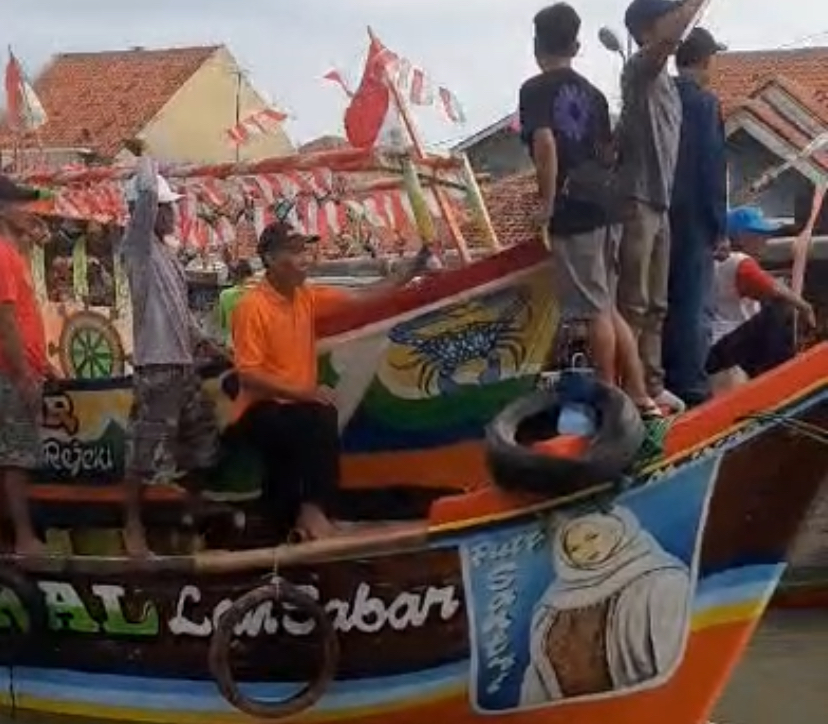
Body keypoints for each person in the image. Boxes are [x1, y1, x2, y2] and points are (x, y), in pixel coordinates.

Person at [231, 221, 426, 542]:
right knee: (317, 418)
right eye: (295, 251)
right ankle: (311, 513)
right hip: (259, 408)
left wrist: (410, 271)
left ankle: (290, 524)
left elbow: (363, 297)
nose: (306, 258)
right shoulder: (251, 307)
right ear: (270, 259)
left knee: (312, 423)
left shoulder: (306, 296)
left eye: (305, 249)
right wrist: (305, 392)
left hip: (295, 405)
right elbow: (249, 377)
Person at [519, 3, 661, 417]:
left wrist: (546, 206)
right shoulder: (596, 96)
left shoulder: (535, 90)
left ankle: (608, 397)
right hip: (608, 206)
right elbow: (608, 151)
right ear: (578, 46)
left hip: (574, 210)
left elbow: (544, 144)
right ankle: (638, 394)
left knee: (596, 310)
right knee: (608, 305)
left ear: (536, 46)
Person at [120, 139, 221, 557]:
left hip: (183, 366)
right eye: (167, 206)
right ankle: (132, 528)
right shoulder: (137, 247)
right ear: (150, 212)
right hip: (157, 367)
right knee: (145, 455)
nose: (173, 212)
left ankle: (194, 513)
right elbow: (143, 195)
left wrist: (207, 343)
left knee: (202, 444)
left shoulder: (168, 256)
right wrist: (146, 155)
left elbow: (181, 313)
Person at [616, 0, 713, 412]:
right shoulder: (640, 68)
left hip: (661, 201)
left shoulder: (667, 86)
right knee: (633, 303)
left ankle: (652, 386)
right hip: (636, 200)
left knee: (656, 305)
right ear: (648, 28)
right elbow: (671, 37)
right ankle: (628, 389)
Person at [663, 27, 728, 407]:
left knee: (660, 300)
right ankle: (690, 385)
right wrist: (719, 226)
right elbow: (711, 166)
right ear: (705, 60)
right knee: (691, 303)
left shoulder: (659, 94)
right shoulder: (704, 103)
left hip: (654, 211)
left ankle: (661, 379)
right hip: (693, 217)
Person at [707, 206, 816, 393]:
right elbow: (775, 288)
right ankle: (782, 377)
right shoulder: (739, 261)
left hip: (715, 346)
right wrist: (805, 307)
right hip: (724, 345)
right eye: (758, 234)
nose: (765, 240)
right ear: (740, 237)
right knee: (777, 311)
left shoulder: (716, 261)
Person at [0, 180, 52, 555]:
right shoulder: (2, 254)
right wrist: (22, 375)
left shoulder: (13, 252)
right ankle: (22, 538)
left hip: (22, 368)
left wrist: (43, 364)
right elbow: (5, 322)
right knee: (15, 457)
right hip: (9, 372)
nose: (29, 210)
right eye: (20, 203)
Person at [218, 258, 255, 346]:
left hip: (234, 343)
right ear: (250, 273)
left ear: (232, 275)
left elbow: (223, 324)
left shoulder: (225, 295)